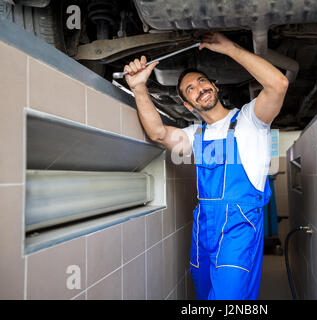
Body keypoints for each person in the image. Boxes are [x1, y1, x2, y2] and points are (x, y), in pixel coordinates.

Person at [123, 32, 289, 300]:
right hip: (204, 225)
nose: (199, 88)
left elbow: (279, 84)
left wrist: (230, 48)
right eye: (191, 89)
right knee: (204, 294)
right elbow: (157, 133)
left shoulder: (250, 119)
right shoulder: (194, 135)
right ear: (188, 105)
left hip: (239, 224)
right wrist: (139, 87)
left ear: (215, 86)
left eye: (202, 81)